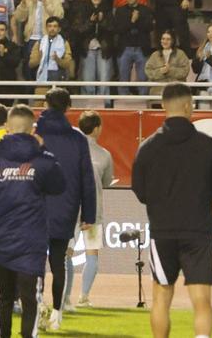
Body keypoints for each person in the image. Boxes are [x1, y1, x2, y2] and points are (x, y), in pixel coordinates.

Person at [132, 82, 212, 338]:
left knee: (161, 296)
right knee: (202, 299)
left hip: (162, 231)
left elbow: (140, 191)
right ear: (189, 106)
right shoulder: (208, 145)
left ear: (163, 106)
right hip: (198, 230)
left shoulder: (148, 147)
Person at [0, 104, 66, 338]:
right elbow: (59, 186)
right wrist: (44, 151)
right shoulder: (43, 161)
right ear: (32, 129)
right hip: (31, 242)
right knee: (30, 298)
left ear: (7, 128)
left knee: (3, 297)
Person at [35, 87, 97, 331]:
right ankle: (57, 314)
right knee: (58, 261)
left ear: (45, 104)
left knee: (35, 261)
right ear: (68, 107)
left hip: (35, 207)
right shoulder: (78, 139)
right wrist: (88, 214)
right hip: (66, 206)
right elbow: (87, 179)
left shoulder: (35, 134)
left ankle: (39, 306)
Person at [63, 110, 115, 309]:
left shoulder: (70, 151)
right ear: (97, 128)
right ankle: (84, 297)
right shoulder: (104, 155)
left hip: (70, 209)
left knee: (66, 253)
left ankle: (65, 297)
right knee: (92, 253)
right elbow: (107, 181)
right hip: (93, 211)